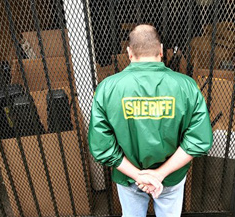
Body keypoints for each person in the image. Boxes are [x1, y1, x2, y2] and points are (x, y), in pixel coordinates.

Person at [88, 24, 213, 216]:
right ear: (161, 51)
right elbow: (199, 140)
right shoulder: (187, 87)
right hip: (171, 176)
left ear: (129, 52)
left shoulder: (107, 89)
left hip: (129, 176)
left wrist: (138, 175)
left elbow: (101, 147)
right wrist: (160, 174)